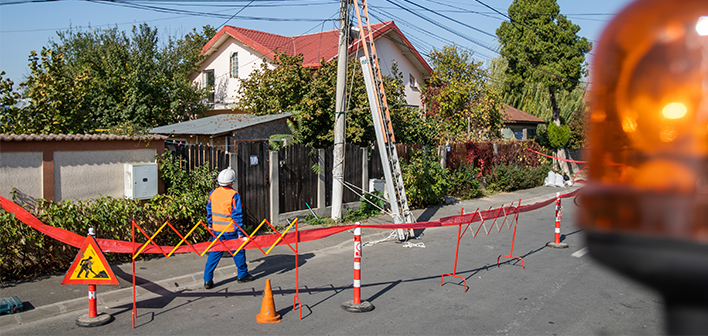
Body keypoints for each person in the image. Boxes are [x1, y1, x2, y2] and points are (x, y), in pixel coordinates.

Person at [203, 168, 255, 289]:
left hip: (217, 229)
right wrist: (240, 231)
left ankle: (207, 279)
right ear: (232, 182)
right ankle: (242, 274)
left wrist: (210, 224)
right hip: (230, 230)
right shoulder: (233, 195)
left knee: (214, 254)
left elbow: (209, 210)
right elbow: (237, 215)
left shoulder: (213, 193)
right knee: (238, 252)